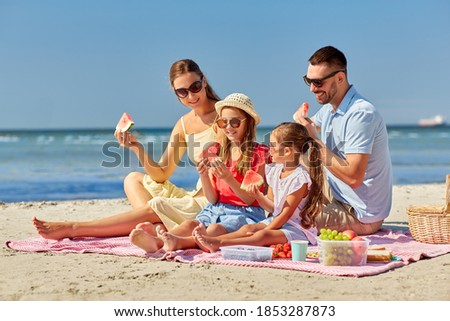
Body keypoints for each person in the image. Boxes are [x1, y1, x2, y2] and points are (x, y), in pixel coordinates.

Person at [33, 59, 223, 240]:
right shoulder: (183, 124)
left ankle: (74, 228)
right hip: (192, 196)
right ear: (175, 93)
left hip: (212, 202)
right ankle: (159, 228)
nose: (191, 96)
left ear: (203, 81)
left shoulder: (225, 114)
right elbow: (161, 175)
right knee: (133, 179)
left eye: (195, 87)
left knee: (156, 206)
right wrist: (136, 147)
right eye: (182, 92)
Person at [129, 93, 269, 252]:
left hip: (245, 213)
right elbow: (212, 198)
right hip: (215, 208)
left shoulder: (258, 154)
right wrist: (204, 175)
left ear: (248, 122)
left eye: (235, 122)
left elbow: (250, 199)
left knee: (214, 230)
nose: (228, 127)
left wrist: (228, 178)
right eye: (224, 122)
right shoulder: (214, 151)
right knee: (189, 224)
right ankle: (158, 240)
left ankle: (168, 244)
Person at [293, 46, 393, 235]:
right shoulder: (331, 109)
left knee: (290, 219)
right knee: (289, 154)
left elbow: (354, 178)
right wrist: (300, 121)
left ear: (340, 78)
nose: (313, 89)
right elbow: (305, 128)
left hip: (359, 214)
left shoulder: (360, 114)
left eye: (318, 82)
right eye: (309, 81)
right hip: (337, 197)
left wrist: (314, 141)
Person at [192, 122, 324, 252]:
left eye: (272, 146)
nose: (269, 149)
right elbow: (273, 207)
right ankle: (214, 240)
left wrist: (266, 229)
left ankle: (219, 243)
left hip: (297, 229)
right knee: (247, 229)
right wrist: (258, 196)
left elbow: (285, 214)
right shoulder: (275, 171)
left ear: (287, 151)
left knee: (262, 236)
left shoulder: (299, 179)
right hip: (277, 221)